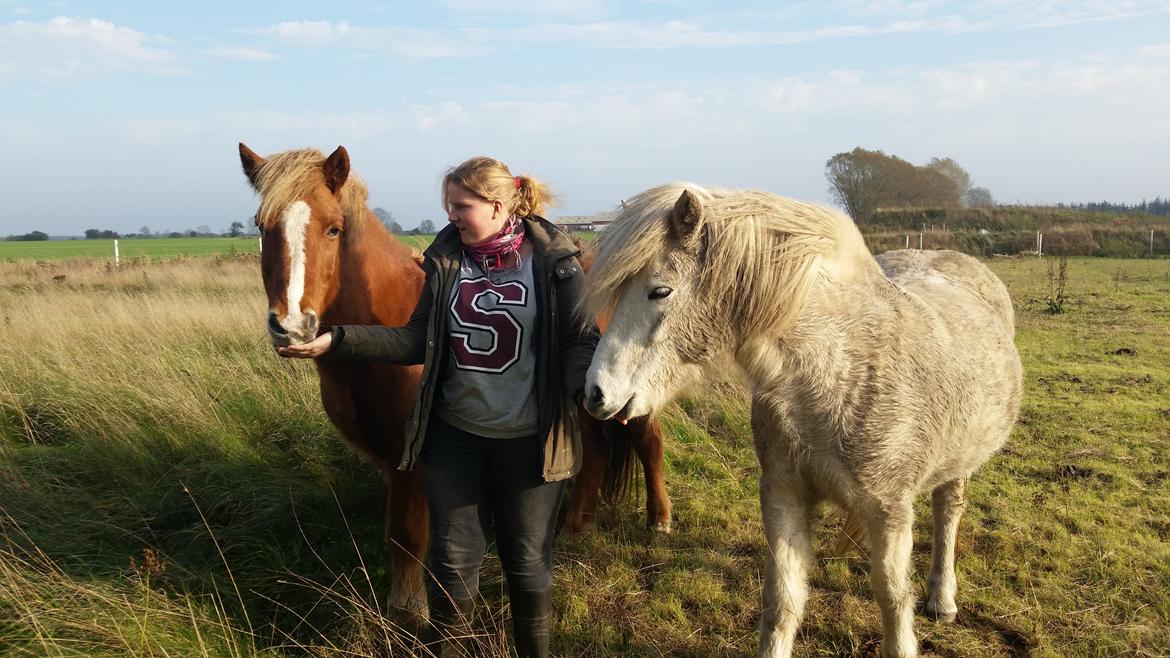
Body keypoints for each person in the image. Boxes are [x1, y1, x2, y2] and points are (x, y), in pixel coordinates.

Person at [277, 156, 597, 658]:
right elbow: (413, 340)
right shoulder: (447, 261)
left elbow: (580, 341)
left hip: (531, 440)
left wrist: (585, 391)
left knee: (527, 564)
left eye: (461, 206)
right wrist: (335, 340)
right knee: (453, 564)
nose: (451, 216)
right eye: (448, 205)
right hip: (456, 440)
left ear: (497, 206)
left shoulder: (554, 262)